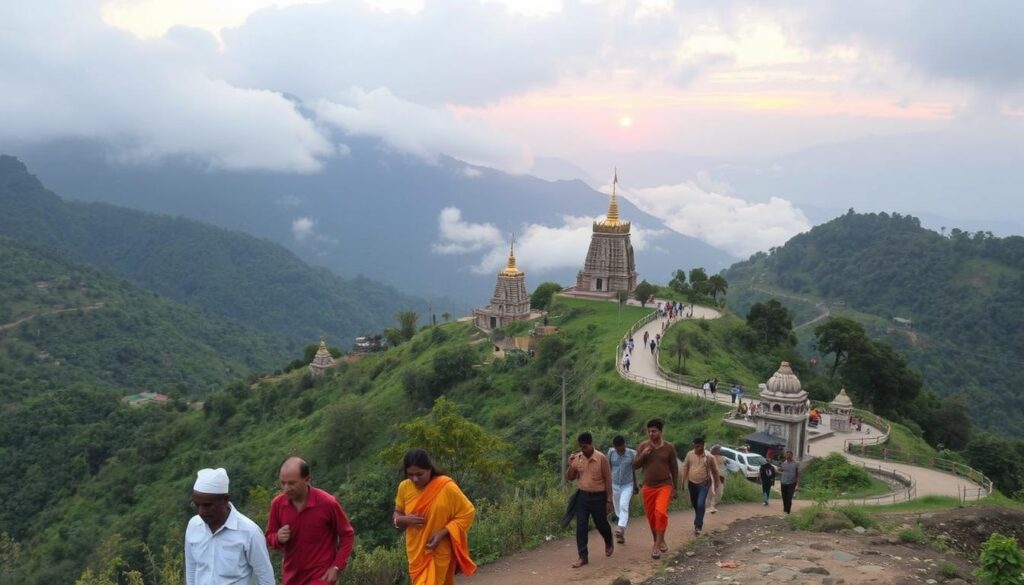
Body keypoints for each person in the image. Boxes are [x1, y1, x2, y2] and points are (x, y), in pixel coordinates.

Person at [266, 457, 355, 584]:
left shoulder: (327, 503)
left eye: (291, 483)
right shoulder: (278, 504)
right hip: (292, 578)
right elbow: (269, 537)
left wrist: (337, 566)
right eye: (283, 483)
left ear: (307, 479)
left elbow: (347, 534)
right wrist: (278, 538)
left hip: (321, 577)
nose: (286, 488)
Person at [393, 449, 477, 584]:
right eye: (410, 474)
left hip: (437, 551)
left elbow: (467, 512)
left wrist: (442, 533)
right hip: (416, 553)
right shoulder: (404, 487)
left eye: (419, 474)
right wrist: (402, 520)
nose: (415, 479)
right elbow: (397, 513)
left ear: (429, 469)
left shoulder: (446, 486)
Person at [186, 468, 275, 585]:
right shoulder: (194, 526)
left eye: (207, 505)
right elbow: (192, 571)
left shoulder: (250, 532)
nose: (201, 511)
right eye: (197, 505)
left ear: (225, 499)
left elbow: (266, 578)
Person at [631, 418, 679, 559]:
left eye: (654, 431)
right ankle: (659, 540)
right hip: (648, 486)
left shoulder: (669, 447)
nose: (651, 434)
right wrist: (643, 455)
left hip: (664, 485)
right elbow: (634, 466)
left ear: (660, 432)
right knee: (652, 517)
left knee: (660, 513)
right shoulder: (643, 446)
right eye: (649, 431)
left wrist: (675, 487)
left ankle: (656, 546)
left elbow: (674, 468)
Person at [566, 432, 614, 568]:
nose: (583, 449)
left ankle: (608, 539)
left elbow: (608, 479)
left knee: (601, 524)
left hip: (598, 497)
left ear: (591, 444)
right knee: (581, 526)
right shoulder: (577, 458)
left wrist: (609, 500)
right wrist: (571, 465)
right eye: (581, 447)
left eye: (585, 446)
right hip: (582, 497)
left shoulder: (601, 458)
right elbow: (570, 477)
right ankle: (583, 556)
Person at [680, 437, 718, 536]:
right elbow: (685, 467)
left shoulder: (709, 457)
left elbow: (715, 471)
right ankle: (698, 518)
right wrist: (683, 481)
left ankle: (698, 525)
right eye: (695, 446)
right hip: (691, 483)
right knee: (695, 504)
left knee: (701, 504)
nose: (697, 449)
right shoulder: (690, 454)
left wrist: (716, 484)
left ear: (703, 445)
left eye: (699, 446)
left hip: (704, 484)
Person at [607, 435, 637, 544]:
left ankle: (620, 528)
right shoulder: (611, 453)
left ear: (624, 444)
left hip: (627, 484)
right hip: (614, 484)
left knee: (624, 505)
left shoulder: (631, 454)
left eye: (620, 447)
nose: (618, 450)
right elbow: (608, 468)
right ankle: (621, 533)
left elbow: (633, 470)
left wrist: (635, 485)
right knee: (618, 509)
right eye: (616, 447)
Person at [708, 444, 727, 514]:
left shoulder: (713, 457)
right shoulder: (721, 458)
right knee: (718, 491)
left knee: (715, 491)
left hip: (716, 476)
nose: (719, 450)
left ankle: (712, 505)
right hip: (717, 476)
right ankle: (712, 505)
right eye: (718, 449)